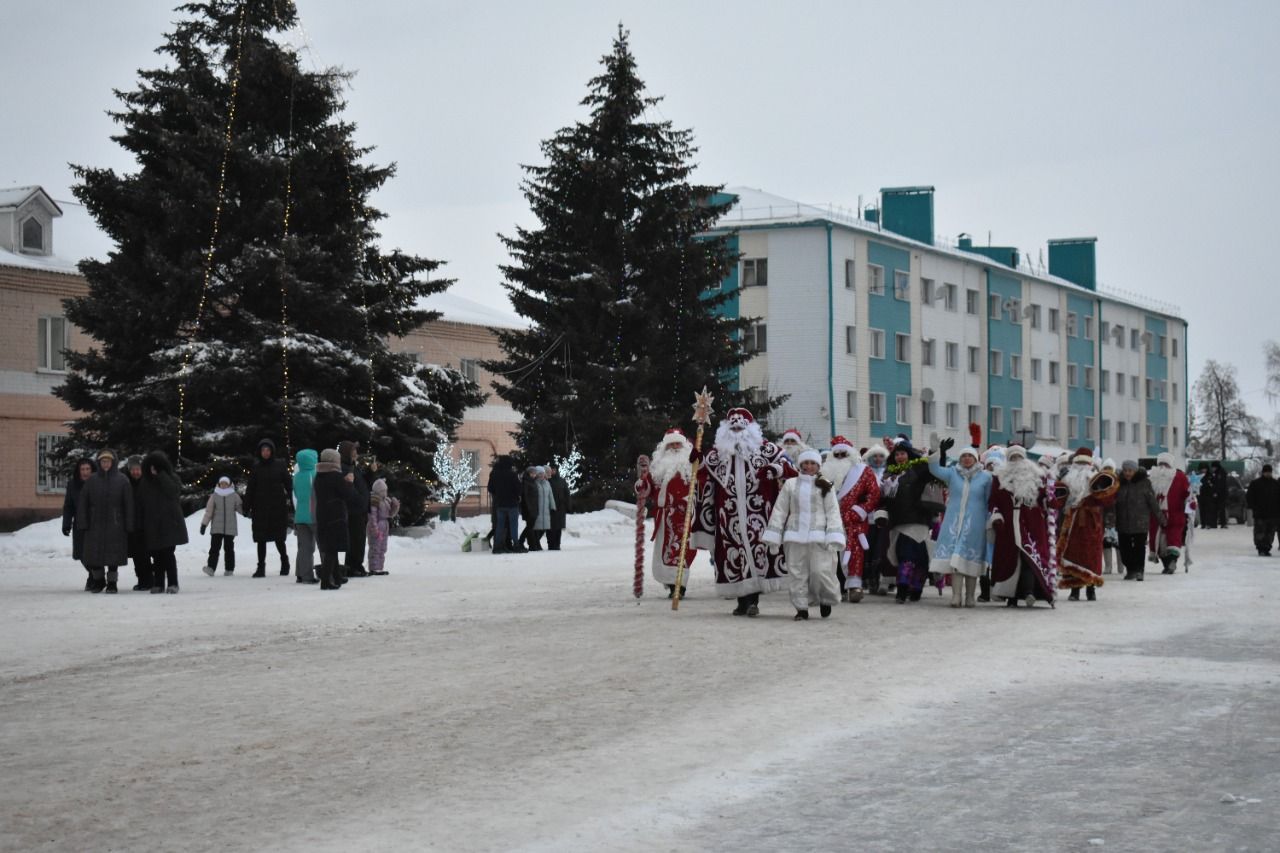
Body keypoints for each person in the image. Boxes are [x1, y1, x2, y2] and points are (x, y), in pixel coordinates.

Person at [691, 407, 797, 617]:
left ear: (751, 429)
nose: (737, 430)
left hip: (759, 513)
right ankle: (742, 600)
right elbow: (702, 476)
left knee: (758, 554)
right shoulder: (717, 454)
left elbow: (790, 469)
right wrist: (696, 458)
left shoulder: (767, 450)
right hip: (728, 516)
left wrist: (774, 470)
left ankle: (752, 600)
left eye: (741, 427)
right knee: (734, 555)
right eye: (734, 427)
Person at [763, 449, 845, 620]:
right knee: (797, 573)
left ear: (818, 466)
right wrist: (774, 535)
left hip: (819, 537)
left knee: (820, 571)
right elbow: (780, 510)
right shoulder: (790, 484)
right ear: (800, 465)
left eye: (813, 463)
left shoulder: (825, 484)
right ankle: (801, 608)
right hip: (794, 536)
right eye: (806, 463)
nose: (809, 466)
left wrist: (834, 535)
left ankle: (825, 599)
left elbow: (833, 512)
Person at [929, 431, 993, 609]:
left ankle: (971, 596)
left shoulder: (986, 477)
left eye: (969, 456)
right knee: (956, 560)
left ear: (976, 458)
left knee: (971, 561)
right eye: (963, 456)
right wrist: (935, 452)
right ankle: (956, 596)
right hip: (954, 524)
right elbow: (934, 469)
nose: (966, 459)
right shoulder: (952, 473)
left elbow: (990, 500)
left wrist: (990, 521)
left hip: (975, 524)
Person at [876, 436, 942, 604]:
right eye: (897, 454)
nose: (900, 457)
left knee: (919, 557)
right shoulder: (889, 475)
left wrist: (936, 452)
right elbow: (883, 498)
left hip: (918, 519)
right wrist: (882, 511)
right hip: (898, 521)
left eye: (903, 453)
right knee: (904, 556)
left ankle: (915, 588)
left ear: (909, 454)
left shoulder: (918, 469)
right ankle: (903, 587)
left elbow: (935, 470)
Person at [635, 429, 698, 598]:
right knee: (667, 551)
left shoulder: (692, 463)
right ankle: (673, 586)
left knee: (684, 551)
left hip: (686, 515)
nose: (675, 447)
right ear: (665, 447)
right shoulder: (658, 467)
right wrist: (642, 483)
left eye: (678, 443)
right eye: (671, 444)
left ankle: (680, 586)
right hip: (665, 517)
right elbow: (647, 487)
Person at [821, 435, 880, 603]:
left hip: (854, 520)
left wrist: (860, 510)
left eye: (843, 454)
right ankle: (835, 585)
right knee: (831, 551)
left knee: (854, 550)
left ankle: (854, 585)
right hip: (830, 519)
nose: (840, 458)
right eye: (837, 455)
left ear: (851, 454)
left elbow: (874, 494)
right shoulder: (824, 473)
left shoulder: (863, 471)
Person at [1055, 448, 1119, 601]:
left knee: (1092, 554)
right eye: (1079, 462)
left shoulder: (1096, 478)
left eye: (1085, 462)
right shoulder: (1066, 478)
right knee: (1072, 554)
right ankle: (1074, 589)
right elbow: (1059, 497)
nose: (1082, 465)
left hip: (1091, 522)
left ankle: (1091, 588)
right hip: (1071, 521)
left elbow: (1107, 499)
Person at [77, 448, 133, 594]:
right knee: (95, 555)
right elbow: (83, 502)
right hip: (95, 524)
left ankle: (112, 583)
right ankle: (98, 580)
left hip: (116, 525)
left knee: (113, 557)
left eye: (108, 461)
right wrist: (83, 522)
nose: (105, 464)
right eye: (103, 461)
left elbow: (128, 504)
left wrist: (129, 524)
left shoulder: (122, 480)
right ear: (99, 463)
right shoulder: (92, 480)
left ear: (113, 462)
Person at [313, 448, 363, 590]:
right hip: (334, 515)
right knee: (331, 549)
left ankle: (336, 577)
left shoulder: (319, 476)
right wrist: (349, 482)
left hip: (323, 514)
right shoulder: (334, 476)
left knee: (331, 547)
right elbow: (347, 494)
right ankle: (326, 581)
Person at [138, 450, 188, 593]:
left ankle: (173, 583)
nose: (153, 470)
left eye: (156, 467)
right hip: (152, 524)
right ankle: (158, 584)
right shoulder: (145, 482)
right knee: (156, 556)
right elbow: (141, 503)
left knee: (168, 554)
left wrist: (161, 475)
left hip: (169, 523)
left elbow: (174, 492)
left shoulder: (171, 477)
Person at [244, 438, 292, 577]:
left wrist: (294, 501)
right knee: (261, 539)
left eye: (268, 450)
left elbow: (289, 485)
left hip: (277, 508)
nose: (265, 452)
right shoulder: (256, 467)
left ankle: (285, 562)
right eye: (263, 450)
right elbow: (250, 488)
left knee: (279, 539)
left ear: (272, 451)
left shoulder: (280, 465)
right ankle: (261, 567)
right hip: (260, 508)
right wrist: (246, 506)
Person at [1114, 460, 1159, 580]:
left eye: (1130, 471)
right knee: (1124, 549)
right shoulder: (1118, 484)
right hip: (1123, 521)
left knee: (1139, 548)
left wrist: (1161, 518)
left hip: (1140, 522)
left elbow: (1152, 502)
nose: (1127, 473)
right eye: (1125, 471)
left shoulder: (1145, 483)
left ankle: (1139, 570)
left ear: (1135, 471)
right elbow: (1113, 503)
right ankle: (1130, 569)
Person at [1148, 452, 1191, 574]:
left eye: (1165, 464)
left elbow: (1187, 493)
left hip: (1174, 514)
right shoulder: (1152, 477)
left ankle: (1172, 562)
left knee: (1173, 539)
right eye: (1160, 464)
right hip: (1156, 516)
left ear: (1170, 465)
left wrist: (1191, 500)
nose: (1162, 467)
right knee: (1158, 542)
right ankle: (1166, 564)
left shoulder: (1179, 477)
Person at [61, 456, 96, 590]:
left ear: (92, 470)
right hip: (79, 524)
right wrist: (66, 524)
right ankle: (93, 574)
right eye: (82, 469)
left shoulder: (97, 483)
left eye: (88, 469)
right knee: (81, 554)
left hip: (95, 524)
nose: (85, 472)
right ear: (78, 471)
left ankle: (95, 577)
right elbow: (68, 506)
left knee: (93, 553)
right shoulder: (72, 485)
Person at [860, 444, 891, 596]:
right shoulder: (865, 473)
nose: (878, 459)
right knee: (868, 549)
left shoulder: (889, 473)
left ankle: (880, 579)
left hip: (884, 517)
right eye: (875, 456)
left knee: (881, 549)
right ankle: (868, 579)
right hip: (868, 517)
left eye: (881, 456)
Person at [338, 440, 370, 577]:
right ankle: (352, 566)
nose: (356, 454)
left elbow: (361, 484)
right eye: (353, 451)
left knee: (359, 539)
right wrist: (361, 500)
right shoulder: (344, 468)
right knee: (355, 539)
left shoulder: (353, 467)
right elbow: (350, 489)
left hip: (360, 509)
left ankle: (356, 565)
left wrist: (372, 473)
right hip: (353, 510)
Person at [200, 475, 241, 577]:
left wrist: (245, 511)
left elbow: (240, 509)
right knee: (214, 549)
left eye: (225, 484)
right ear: (219, 484)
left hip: (230, 527)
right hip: (216, 528)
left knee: (229, 549)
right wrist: (204, 524)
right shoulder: (214, 496)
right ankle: (211, 568)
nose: (223, 486)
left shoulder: (234, 496)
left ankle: (229, 569)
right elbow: (209, 512)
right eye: (221, 484)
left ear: (229, 485)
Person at [124, 455, 153, 591]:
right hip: (132, 525)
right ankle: (142, 580)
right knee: (136, 555)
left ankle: (149, 579)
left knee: (145, 555)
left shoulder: (148, 483)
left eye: (138, 469)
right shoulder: (125, 483)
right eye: (133, 469)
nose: (136, 472)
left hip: (146, 525)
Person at [292, 449, 319, 584]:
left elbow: (296, 495)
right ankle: (311, 575)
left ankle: (301, 574)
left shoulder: (296, 476)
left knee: (303, 547)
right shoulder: (315, 475)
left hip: (300, 516)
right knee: (316, 547)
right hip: (313, 515)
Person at [487, 456, 524, 554]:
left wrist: (498, 494)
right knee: (513, 525)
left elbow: (490, 488)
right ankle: (516, 545)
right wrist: (517, 496)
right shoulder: (512, 474)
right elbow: (518, 488)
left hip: (500, 504)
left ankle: (497, 547)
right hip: (512, 504)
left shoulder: (494, 474)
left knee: (500, 526)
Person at [366, 478, 401, 575]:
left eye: (385, 490)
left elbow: (390, 514)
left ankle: (380, 566)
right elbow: (372, 516)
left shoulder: (386, 500)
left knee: (382, 547)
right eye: (382, 491)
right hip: (377, 525)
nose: (384, 493)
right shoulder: (374, 500)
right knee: (375, 547)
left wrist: (395, 506)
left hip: (385, 525)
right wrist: (375, 528)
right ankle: (374, 567)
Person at [1246, 464, 1280, 556]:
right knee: (1260, 532)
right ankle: (1260, 548)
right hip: (1260, 513)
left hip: (1273, 514)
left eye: (1269, 472)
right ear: (1263, 472)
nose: (1268, 474)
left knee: (1270, 533)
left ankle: (1267, 548)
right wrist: (1253, 507)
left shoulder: (1275, 484)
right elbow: (1250, 497)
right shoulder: (1255, 484)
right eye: (1266, 472)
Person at [1101, 459, 1119, 575]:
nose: (1108, 471)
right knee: (1106, 542)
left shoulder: (1118, 483)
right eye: (1106, 468)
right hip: (1104, 516)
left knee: (1119, 543)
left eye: (1109, 468)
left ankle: (1121, 567)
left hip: (1117, 516)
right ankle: (1108, 566)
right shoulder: (1100, 482)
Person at [546, 464, 571, 550]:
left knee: (558, 528)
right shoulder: (548, 481)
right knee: (550, 528)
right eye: (551, 470)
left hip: (561, 507)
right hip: (550, 508)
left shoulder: (562, 481)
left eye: (554, 470)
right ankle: (551, 544)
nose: (552, 471)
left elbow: (567, 493)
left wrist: (567, 505)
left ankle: (557, 544)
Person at [1196, 463, 1218, 529]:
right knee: (1202, 510)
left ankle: (1209, 523)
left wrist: (1213, 490)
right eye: (1202, 469)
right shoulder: (1198, 476)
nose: (1203, 470)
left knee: (1209, 510)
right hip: (1200, 495)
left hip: (1209, 495)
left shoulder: (1210, 476)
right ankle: (1203, 523)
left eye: (1205, 469)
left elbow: (1214, 485)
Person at [1211, 462, 1229, 528]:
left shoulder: (1221, 473)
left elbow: (1220, 484)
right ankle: (1215, 523)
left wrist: (1216, 492)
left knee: (1221, 509)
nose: (1212, 469)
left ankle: (1223, 523)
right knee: (1215, 509)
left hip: (1222, 494)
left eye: (1213, 467)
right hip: (1218, 494)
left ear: (1216, 467)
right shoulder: (1216, 473)